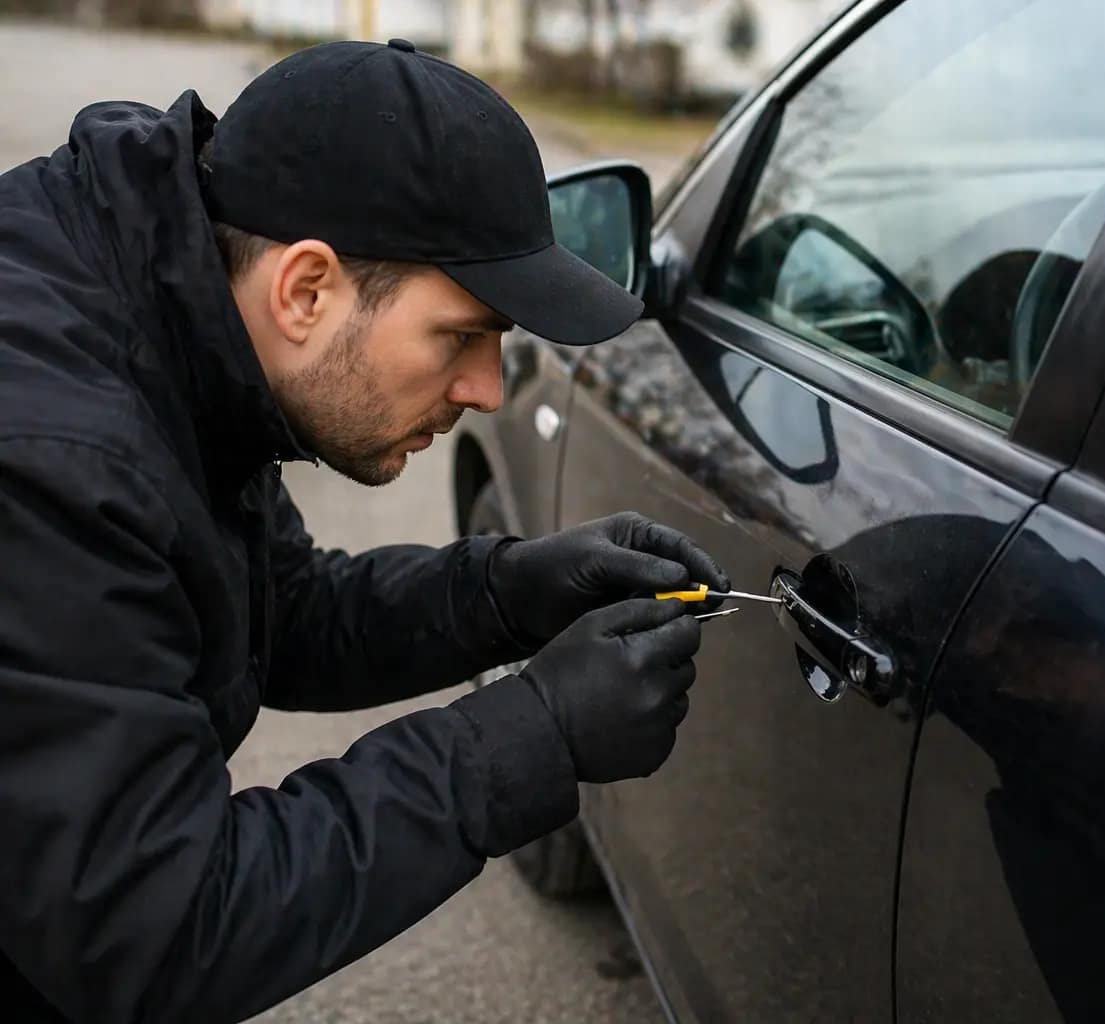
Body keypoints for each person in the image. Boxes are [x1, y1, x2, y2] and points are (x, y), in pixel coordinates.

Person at [0, 38, 729, 1023]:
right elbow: (146, 927)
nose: (486, 388)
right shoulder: (60, 457)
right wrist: (533, 736)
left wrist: (503, 591)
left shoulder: (176, 296)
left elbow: (269, 607)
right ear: (307, 290)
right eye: (460, 334)